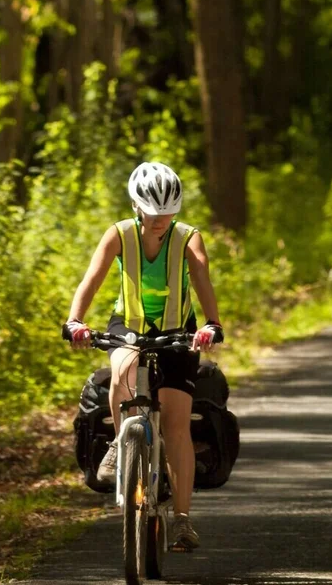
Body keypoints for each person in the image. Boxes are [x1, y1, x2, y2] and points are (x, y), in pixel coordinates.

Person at [62, 161, 225, 552]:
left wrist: (211, 323)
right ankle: (122, 442)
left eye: (169, 212)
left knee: (176, 421)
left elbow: (201, 277)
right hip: (128, 324)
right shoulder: (118, 235)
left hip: (177, 330)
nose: (161, 220)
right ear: (137, 207)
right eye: (154, 213)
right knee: (121, 368)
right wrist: (75, 321)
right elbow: (92, 279)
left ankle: (182, 520)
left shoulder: (188, 238)